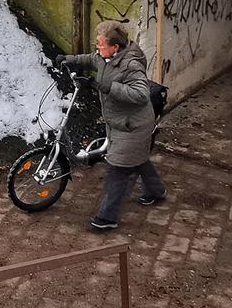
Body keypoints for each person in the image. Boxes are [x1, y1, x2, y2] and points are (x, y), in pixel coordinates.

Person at [55, 21, 166, 232]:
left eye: (101, 44)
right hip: (119, 122)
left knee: (120, 169)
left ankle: (107, 218)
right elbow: (91, 59)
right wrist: (69, 60)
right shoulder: (106, 56)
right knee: (138, 159)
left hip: (133, 125)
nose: (98, 48)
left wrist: (105, 86)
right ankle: (156, 191)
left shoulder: (131, 65)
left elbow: (141, 94)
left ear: (116, 47)